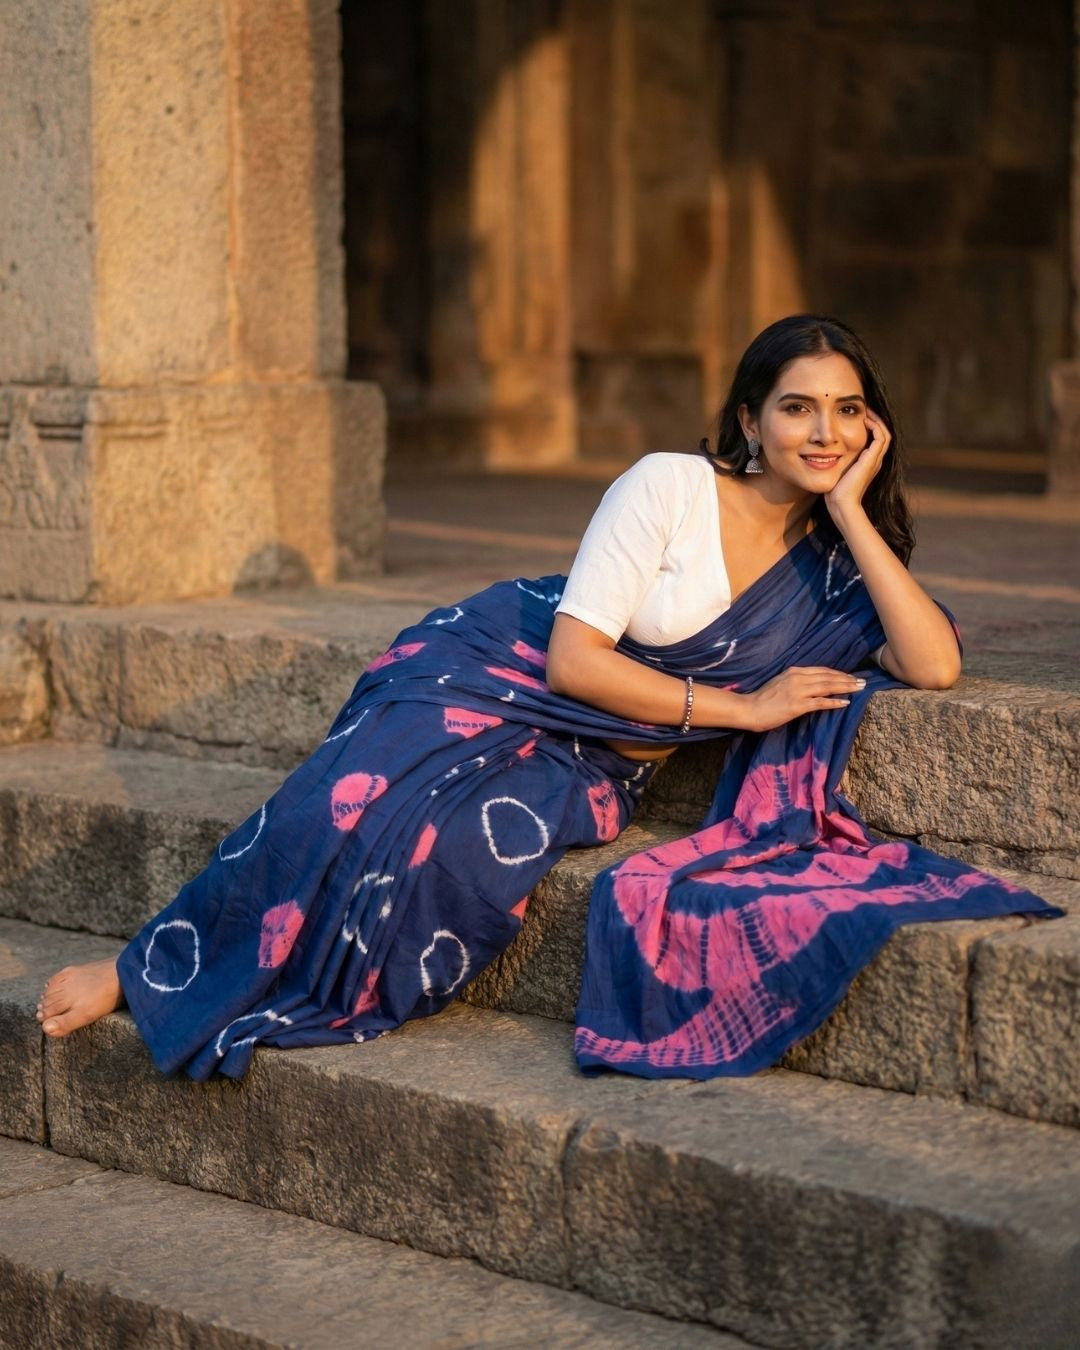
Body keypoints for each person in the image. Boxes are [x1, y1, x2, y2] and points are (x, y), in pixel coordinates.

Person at [36, 315, 1060, 1080]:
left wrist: (850, 507)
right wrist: (744, 711)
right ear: (749, 418)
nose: (822, 429)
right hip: (501, 671)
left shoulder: (835, 563)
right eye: (797, 407)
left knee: (465, 856)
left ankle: (296, 981)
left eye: (846, 411)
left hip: (596, 754)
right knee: (350, 803)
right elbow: (573, 662)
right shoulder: (670, 485)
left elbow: (931, 665)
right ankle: (147, 968)